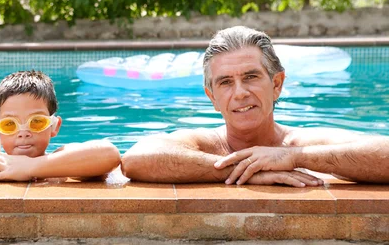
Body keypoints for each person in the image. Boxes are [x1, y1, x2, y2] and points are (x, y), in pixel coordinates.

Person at [121, 26, 389, 186]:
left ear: (276, 85)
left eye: (250, 77)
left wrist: (296, 158)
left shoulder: (298, 143)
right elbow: (135, 160)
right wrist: (246, 171)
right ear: (212, 97)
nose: (240, 93)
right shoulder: (207, 143)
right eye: (225, 82)